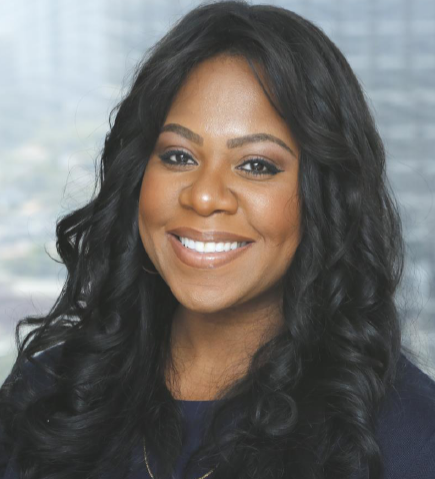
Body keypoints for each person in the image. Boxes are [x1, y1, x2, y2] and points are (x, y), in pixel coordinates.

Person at [1, 1, 435, 478]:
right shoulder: (46, 394)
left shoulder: (410, 439)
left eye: (256, 165)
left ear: (324, 196)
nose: (205, 196)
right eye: (178, 156)